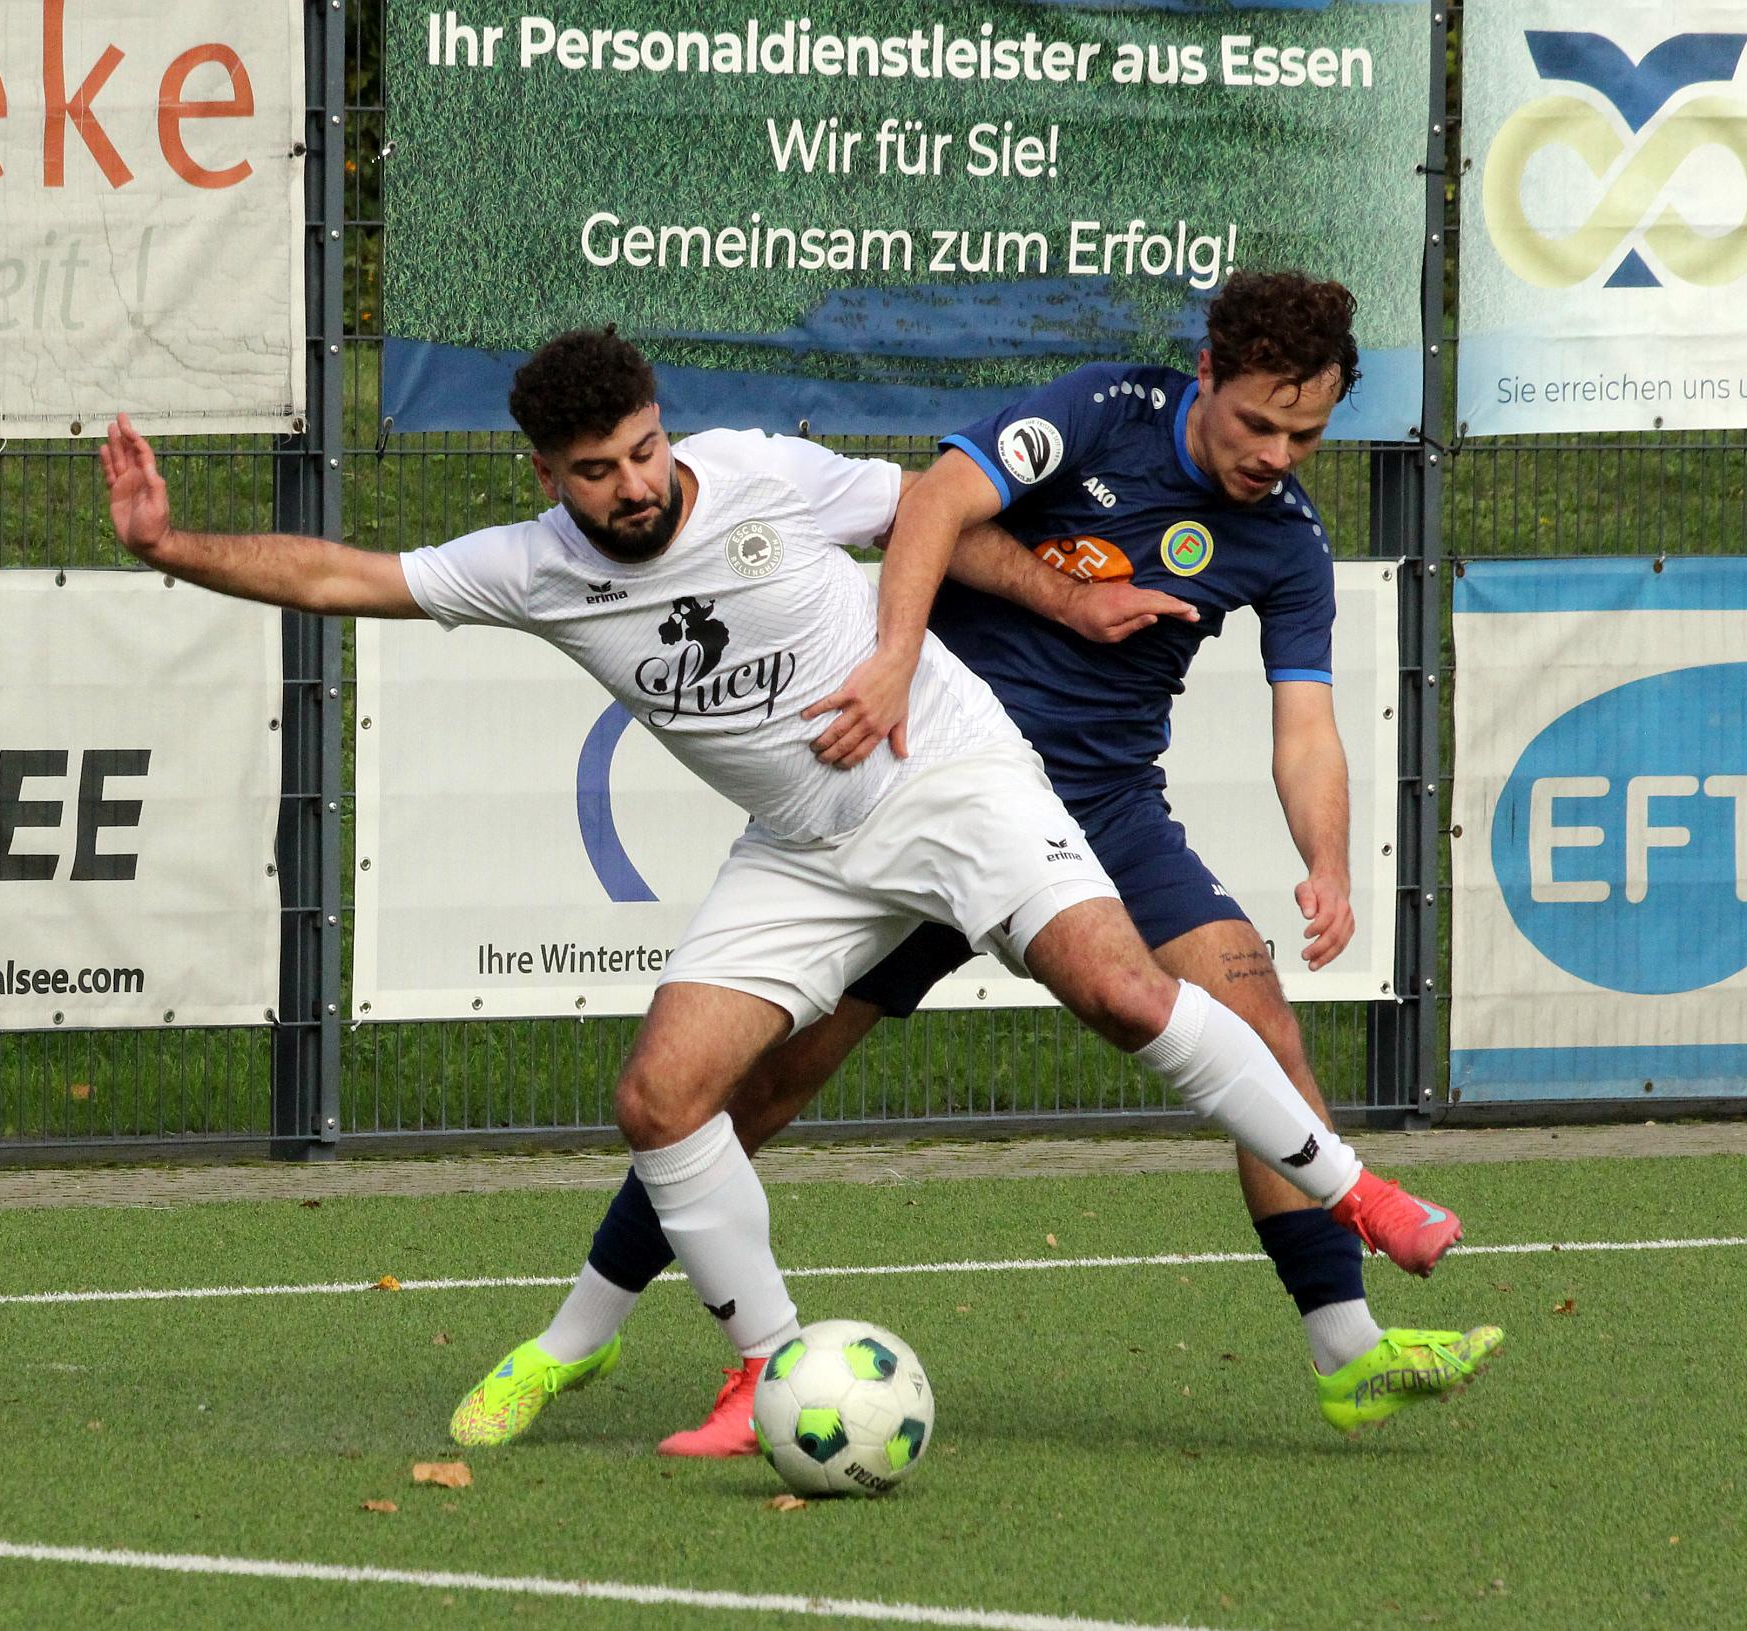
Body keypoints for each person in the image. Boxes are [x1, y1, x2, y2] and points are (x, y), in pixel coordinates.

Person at [100, 324, 1467, 1462]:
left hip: (954, 779)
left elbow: (927, 510)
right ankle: (755, 1358)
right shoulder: (532, 566)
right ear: (548, 476)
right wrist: (170, 544)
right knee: (668, 1095)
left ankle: (1360, 1203)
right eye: (598, 471)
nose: (636, 484)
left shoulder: (759, 472)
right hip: (807, 848)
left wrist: (920, 646)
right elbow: (344, 574)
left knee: (1124, 992)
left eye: (645, 449)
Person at [471, 278, 1500, 1455]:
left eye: (1303, 435)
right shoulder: (1101, 411)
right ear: (1207, 372)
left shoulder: (1286, 538)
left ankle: (1348, 1346)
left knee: (1256, 1018)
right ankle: (576, 1334)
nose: (1276, 455)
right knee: (755, 1086)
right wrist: (912, 653)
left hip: (1103, 806)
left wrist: (1328, 862)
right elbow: (935, 501)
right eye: (1258, 423)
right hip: (925, 786)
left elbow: (1305, 725)